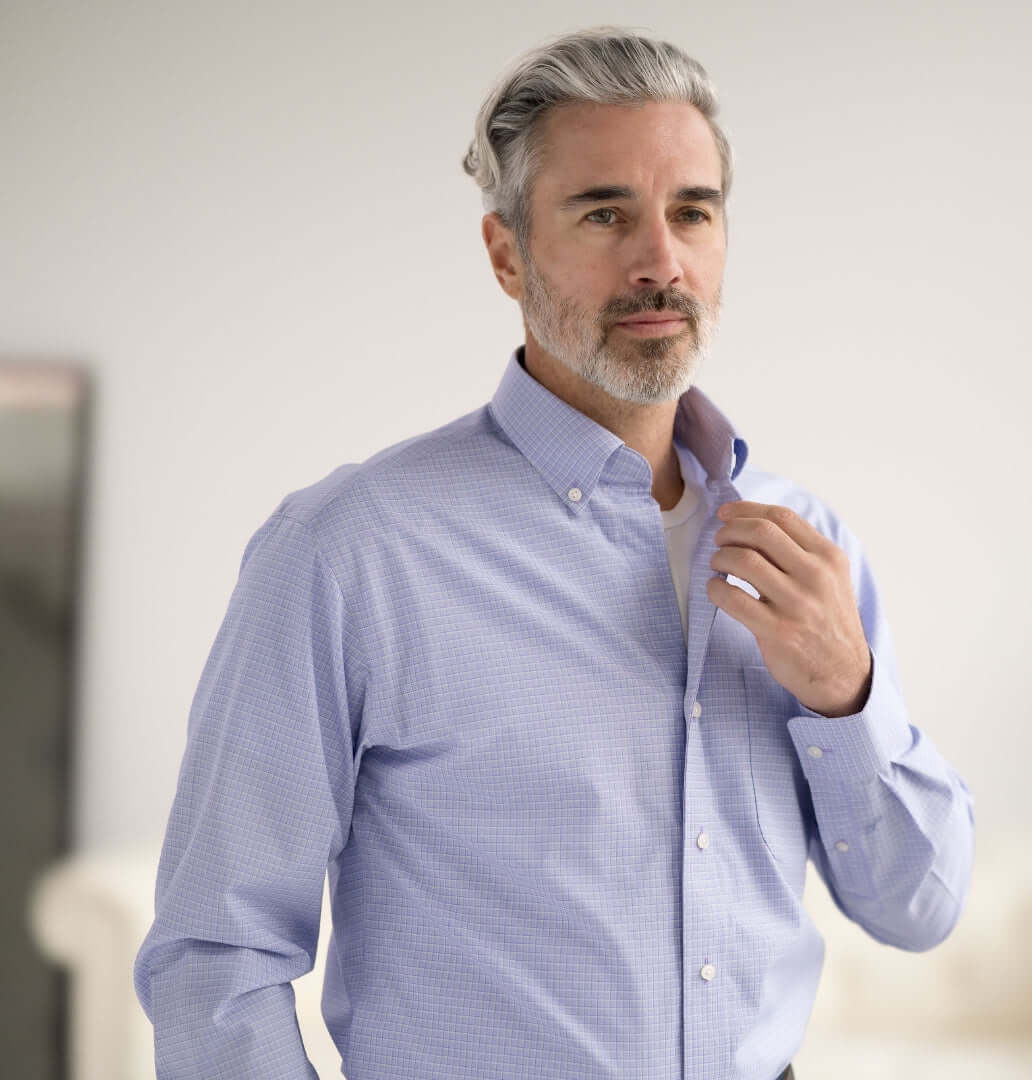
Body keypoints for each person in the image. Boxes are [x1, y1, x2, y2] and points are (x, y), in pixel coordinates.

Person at [133, 25, 975, 1080]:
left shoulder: (808, 546)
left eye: (692, 213)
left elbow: (919, 907)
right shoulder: (349, 552)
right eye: (604, 214)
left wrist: (848, 695)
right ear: (506, 254)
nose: (660, 262)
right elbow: (216, 956)